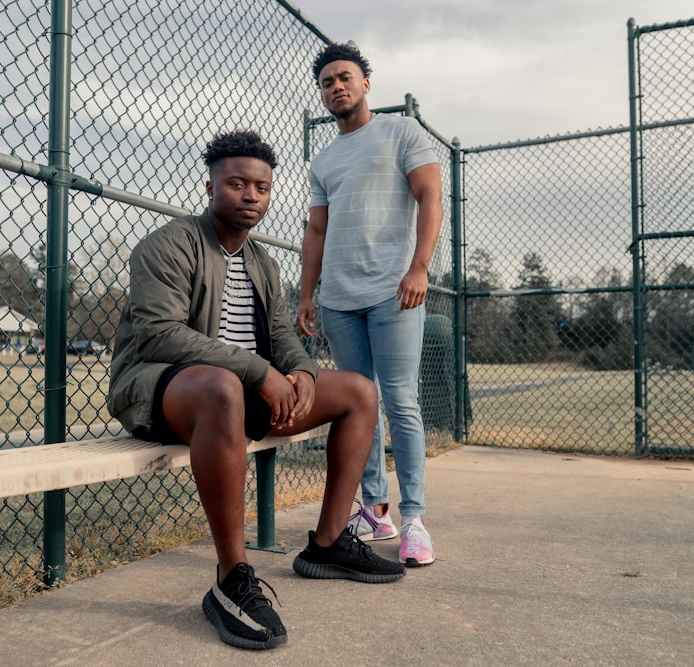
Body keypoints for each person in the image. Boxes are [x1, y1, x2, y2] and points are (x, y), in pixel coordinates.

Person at [107, 130, 405, 651]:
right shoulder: (168, 244)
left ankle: (328, 543)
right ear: (210, 187)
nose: (251, 195)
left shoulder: (264, 263)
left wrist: (303, 375)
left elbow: (285, 336)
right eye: (237, 184)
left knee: (358, 390)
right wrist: (258, 373)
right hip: (162, 389)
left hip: (239, 393)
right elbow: (160, 333)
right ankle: (230, 577)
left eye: (262, 187)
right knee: (223, 385)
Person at [297, 43, 444, 568]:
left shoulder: (401, 132)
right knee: (358, 405)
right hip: (339, 300)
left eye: (345, 77)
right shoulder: (324, 159)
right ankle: (374, 508)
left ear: (365, 84)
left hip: (393, 291)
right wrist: (307, 293)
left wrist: (420, 267)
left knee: (400, 401)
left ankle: (414, 521)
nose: (336, 86)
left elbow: (431, 196)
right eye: (326, 82)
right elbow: (317, 228)